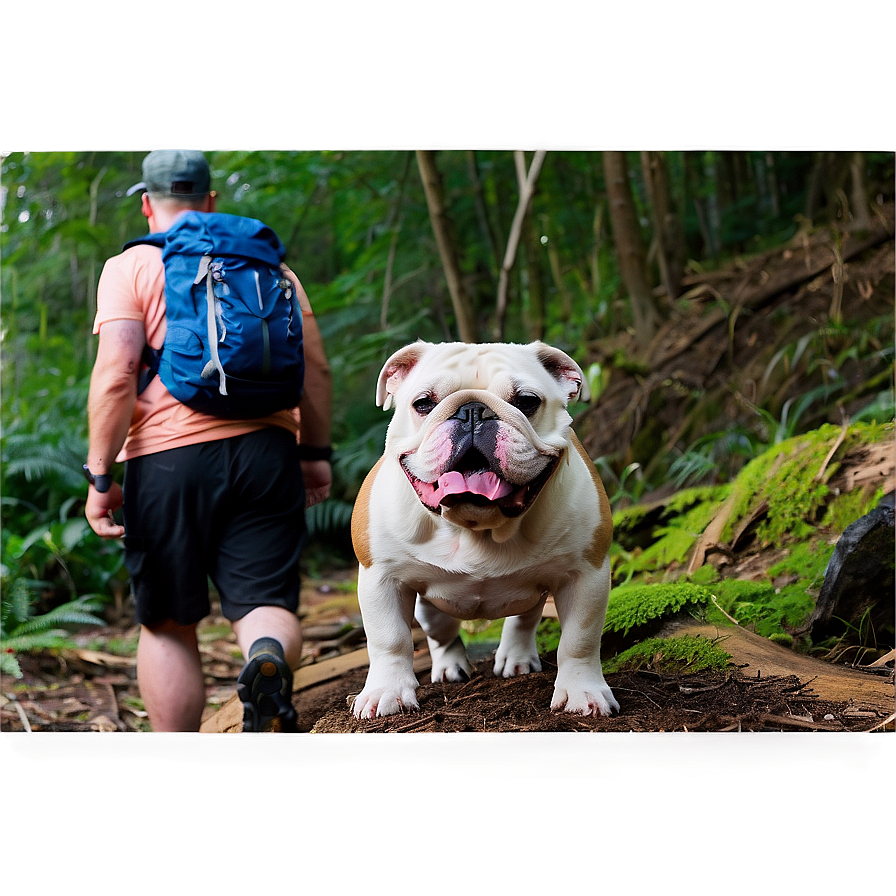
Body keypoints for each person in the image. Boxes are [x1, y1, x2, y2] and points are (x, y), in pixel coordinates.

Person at [84, 150, 333, 732]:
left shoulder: (131, 267)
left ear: (147, 204)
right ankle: (265, 658)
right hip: (267, 452)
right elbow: (315, 370)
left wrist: (100, 475)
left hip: (167, 461)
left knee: (168, 623)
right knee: (265, 601)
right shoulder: (271, 267)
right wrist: (315, 455)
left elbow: (117, 372)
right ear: (211, 201)